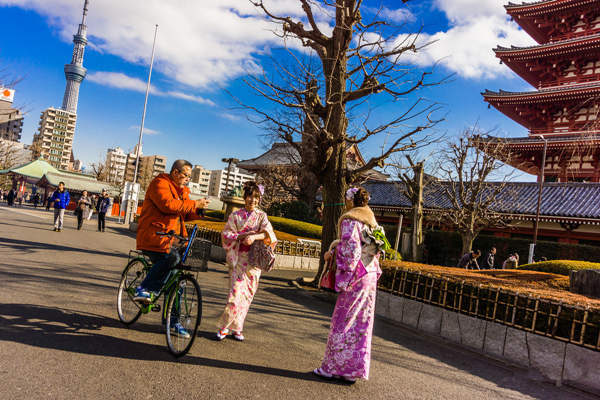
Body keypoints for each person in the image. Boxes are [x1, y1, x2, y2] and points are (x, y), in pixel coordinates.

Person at [313, 187, 383, 383]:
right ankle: (350, 370)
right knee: (361, 324)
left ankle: (331, 367)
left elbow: (351, 251)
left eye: (346, 199)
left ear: (350, 201)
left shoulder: (351, 219)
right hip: (369, 274)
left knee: (342, 320)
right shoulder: (371, 221)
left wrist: (332, 255)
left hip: (356, 276)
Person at [133, 160, 209, 338]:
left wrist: (198, 209)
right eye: (186, 175)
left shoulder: (183, 191)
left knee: (178, 281)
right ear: (175, 172)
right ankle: (144, 288)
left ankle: (173, 321)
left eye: (189, 177)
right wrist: (193, 204)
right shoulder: (160, 183)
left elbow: (184, 212)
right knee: (171, 258)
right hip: (154, 236)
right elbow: (167, 205)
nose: (188, 180)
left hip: (172, 239)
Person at [216, 181, 277, 342]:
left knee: (247, 297)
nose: (253, 200)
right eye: (250, 197)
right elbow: (226, 235)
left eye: (256, 197)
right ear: (245, 198)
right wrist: (240, 236)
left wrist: (254, 236)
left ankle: (238, 328)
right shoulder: (235, 216)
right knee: (234, 296)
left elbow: (269, 234)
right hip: (238, 260)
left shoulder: (261, 216)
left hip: (254, 262)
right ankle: (224, 327)